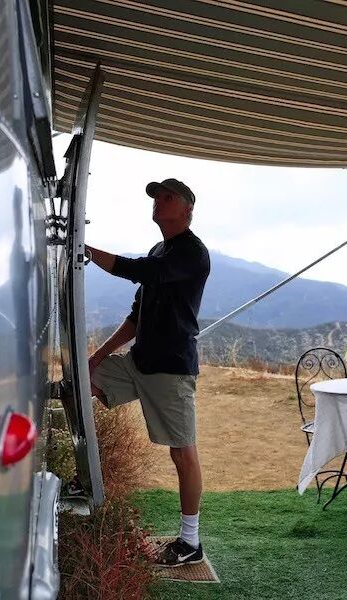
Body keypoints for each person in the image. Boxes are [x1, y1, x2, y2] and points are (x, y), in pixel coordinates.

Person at [85, 177, 210, 567]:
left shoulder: (192, 252)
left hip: (171, 371)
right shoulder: (160, 250)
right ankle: (82, 475)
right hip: (137, 363)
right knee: (80, 382)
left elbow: (139, 271)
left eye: (167, 197)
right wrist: (97, 356)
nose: (158, 202)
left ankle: (191, 542)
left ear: (187, 209)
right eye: (156, 197)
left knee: (182, 453)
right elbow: (136, 316)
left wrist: (84, 250)